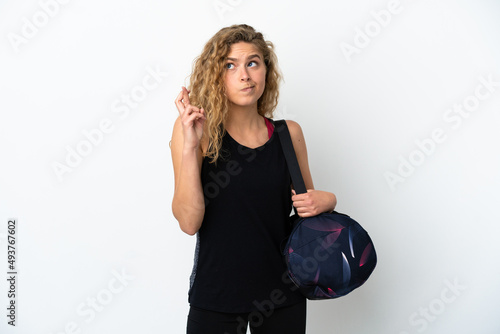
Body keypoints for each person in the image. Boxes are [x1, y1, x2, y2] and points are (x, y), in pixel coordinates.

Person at [170, 24, 337, 334]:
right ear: (215, 76)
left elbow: (308, 215)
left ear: (265, 71)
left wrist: (329, 201)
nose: (245, 74)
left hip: (282, 293)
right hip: (216, 294)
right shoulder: (196, 133)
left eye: (253, 62)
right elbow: (189, 222)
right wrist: (190, 146)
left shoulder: (289, 135)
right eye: (230, 65)